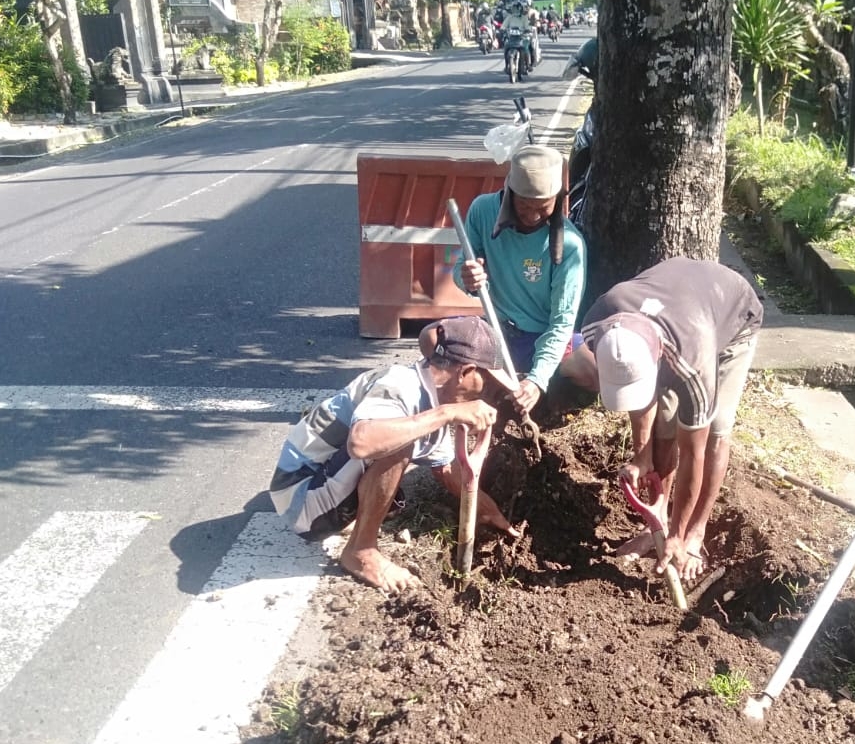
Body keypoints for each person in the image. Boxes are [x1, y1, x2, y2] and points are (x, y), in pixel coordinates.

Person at [270, 316, 519, 594]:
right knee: (397, 442)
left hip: (320, 487)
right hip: (300, 496)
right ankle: (361, 552)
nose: (487, 395)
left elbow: (448, 470)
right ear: (466, 372)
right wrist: (447, 413)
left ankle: (352, 523)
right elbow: (362, 442)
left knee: (404, 440)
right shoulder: (401, 385)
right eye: (487, 384)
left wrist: (490, 512)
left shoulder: (431, 396)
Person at [562, 259, 762, 583]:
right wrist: (642, 456)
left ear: (657, 357)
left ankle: (693, 533)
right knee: (663, 425)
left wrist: (679, 536)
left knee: (714, 432)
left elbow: (693, 453)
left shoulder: (693, 362)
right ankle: (656, 524)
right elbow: (636, 392)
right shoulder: (597, 323)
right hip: (677, 311)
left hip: (733, 317)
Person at [454, 145, 586, 414]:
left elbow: (562, 322)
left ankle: (552, 397)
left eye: (543, 207)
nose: (533, 216)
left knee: (594, 371)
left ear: (557, 199)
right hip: (496, 332)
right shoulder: (482, 211)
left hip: (542, 337)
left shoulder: (571, 246)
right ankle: (492, 392)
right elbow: (459, 270)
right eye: (525, 206)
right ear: (509, 194)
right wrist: (467, 278)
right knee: (432, 339)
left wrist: (537, 379)